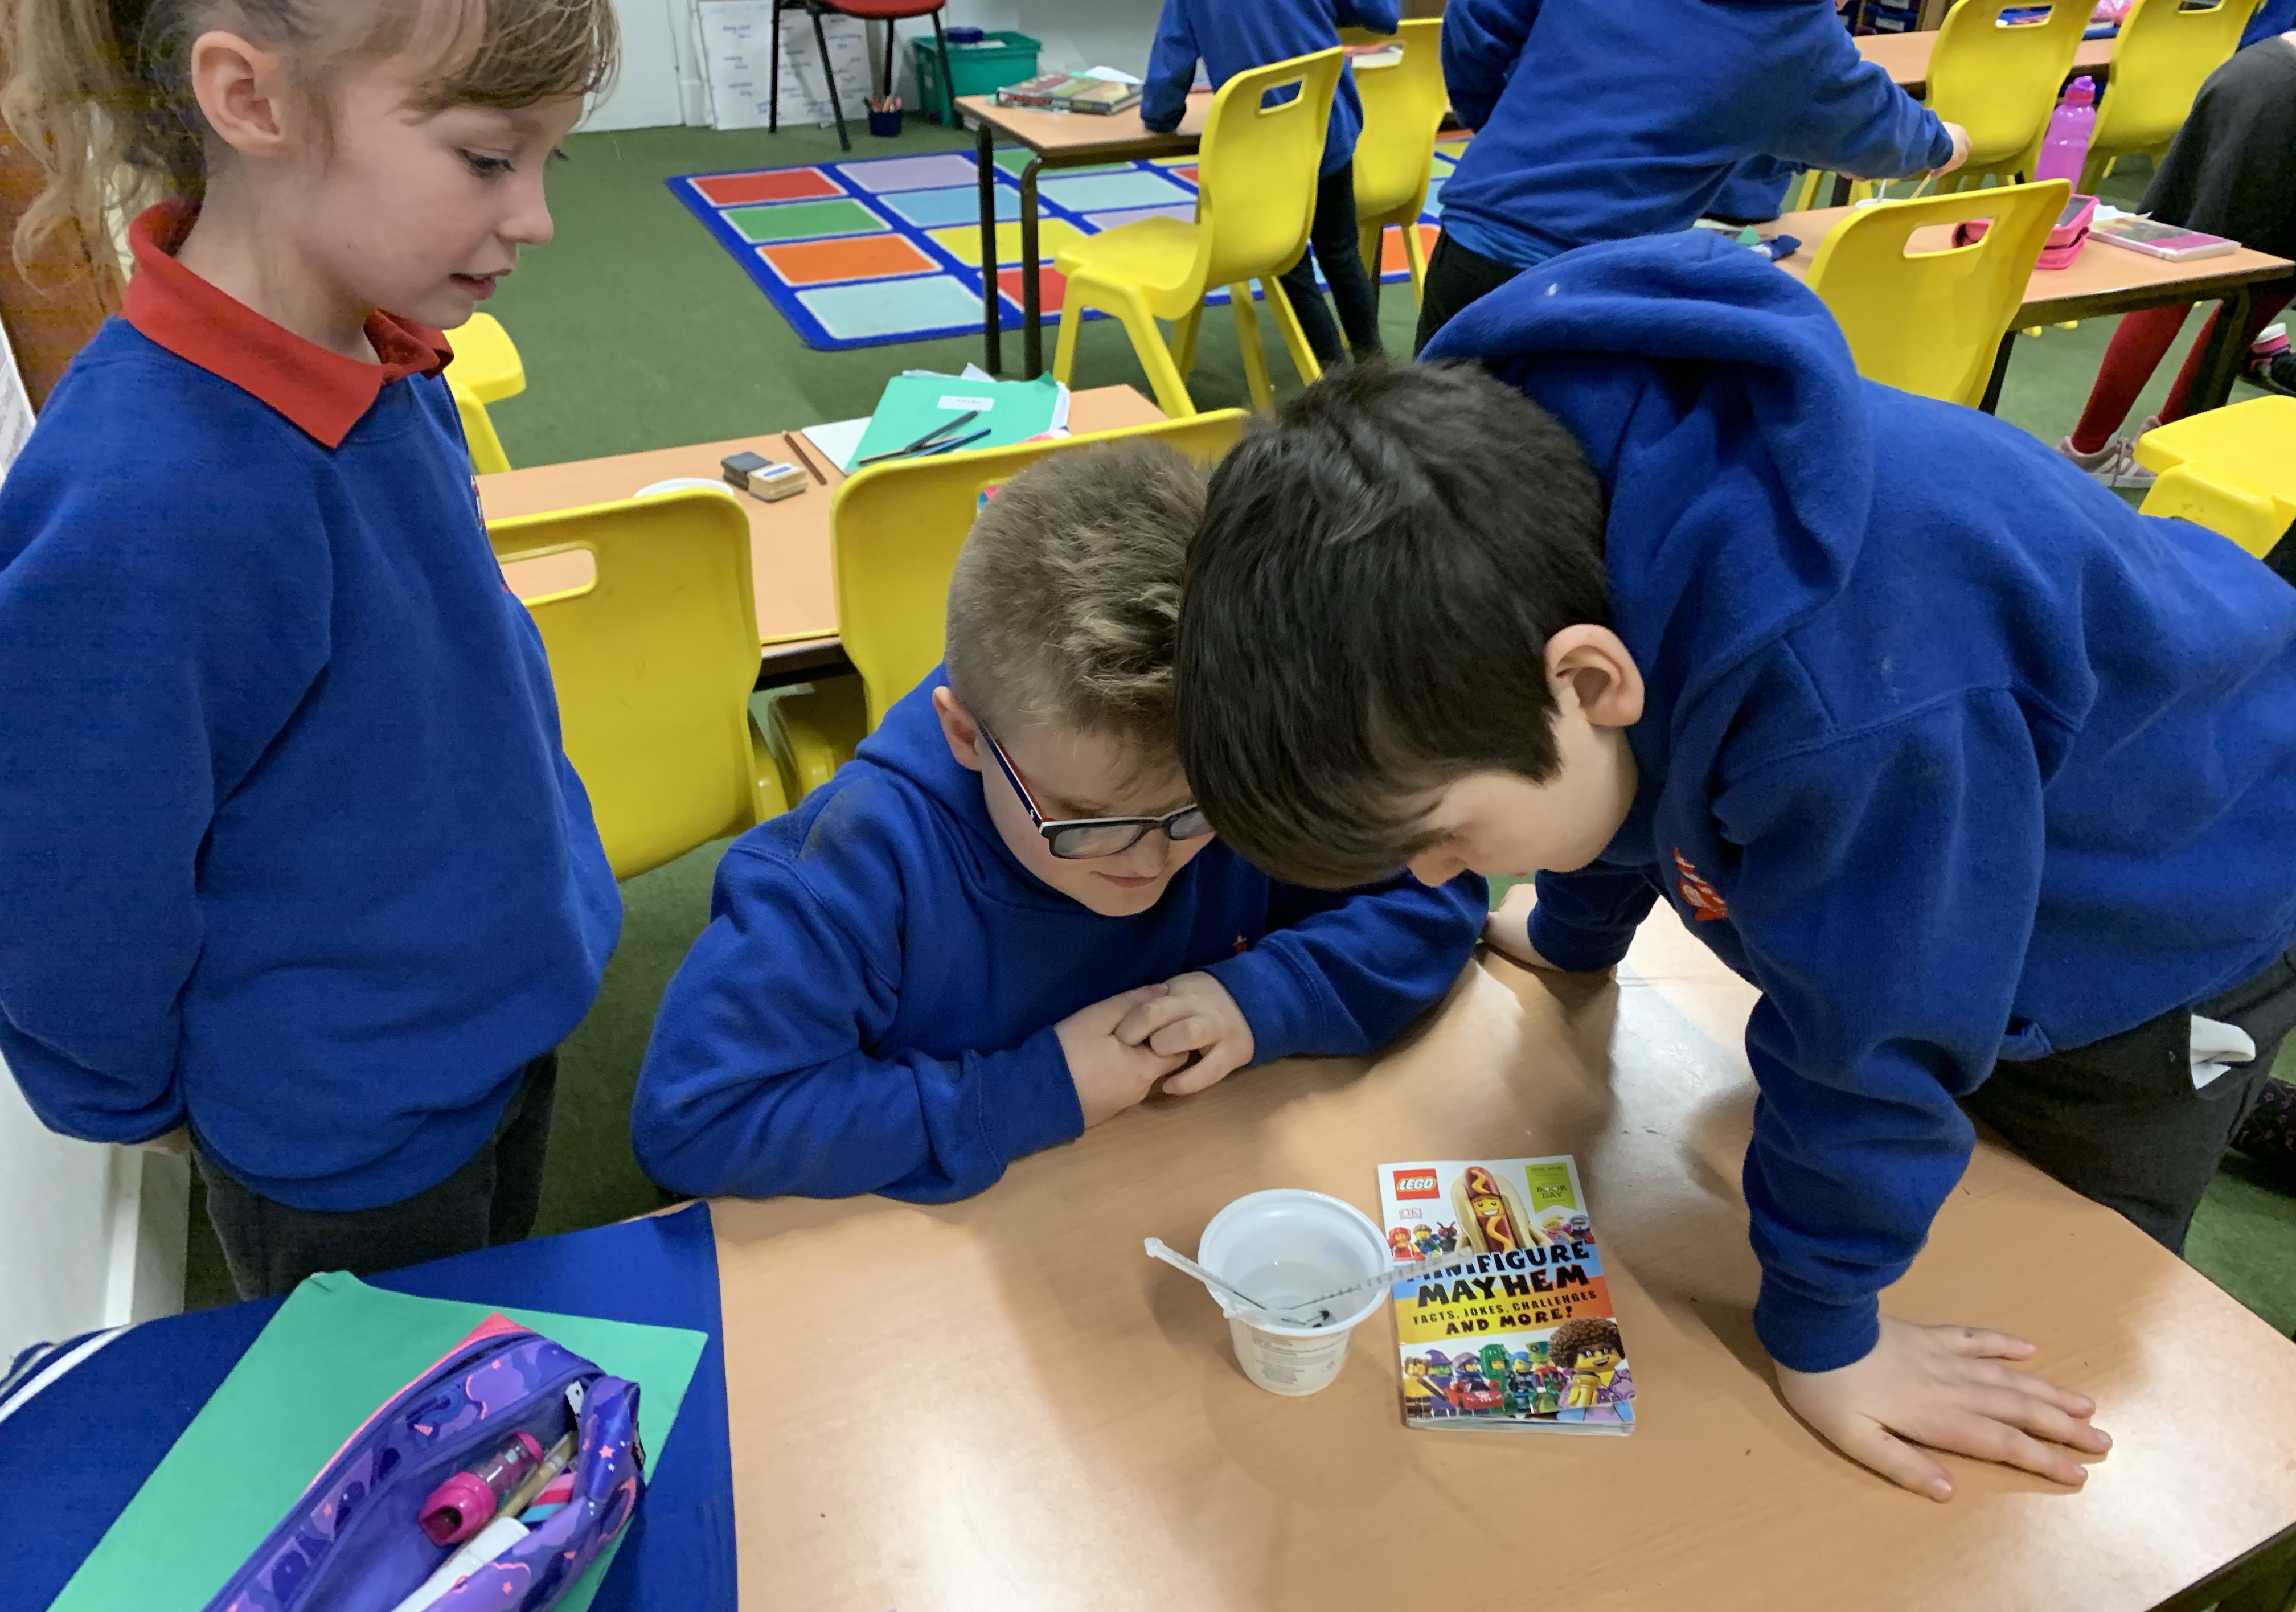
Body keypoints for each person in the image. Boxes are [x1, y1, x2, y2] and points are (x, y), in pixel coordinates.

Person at [1172, 244, 2296, 1499]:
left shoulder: (1844, 712)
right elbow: (1628, 763)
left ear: (1587, 678)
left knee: (2064, 1280)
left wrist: (1826, 1333)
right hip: (1949, 816)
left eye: (1440, 833)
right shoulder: (1528, 523)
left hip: (2179, 895)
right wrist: (1579, 928)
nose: (1440, 874)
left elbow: (1873, 1025)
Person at [0, 0, 623, 1297]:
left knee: (502, 1317)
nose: (537, 219)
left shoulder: (385, 352)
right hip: (348, 1133)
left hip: (491, 1013)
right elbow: (71, 878)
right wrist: (127, 1097)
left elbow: (447, 681)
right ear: (253, 101)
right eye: (486, 158)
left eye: (545, 160)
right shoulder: (144, 494)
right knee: (393, 1410)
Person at [630, 441, 1483, 1201]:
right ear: (967, 736)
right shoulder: (850, 870)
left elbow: (1435, 893)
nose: (1148, 862)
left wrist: (1260, 1000)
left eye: (1194, 813)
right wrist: (1038, 1090)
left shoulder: (1242, 753)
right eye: (1084, 820)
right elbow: (698, 1120)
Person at [1417, 0, 1970, 351]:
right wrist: (1945, 142)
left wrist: (1500, 125)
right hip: (1589, 291)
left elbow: (1478, 21)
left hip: (1474, 240)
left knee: (1422, 465)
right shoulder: (1794, 31)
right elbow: (1880, 129)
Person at [2057, 30, 2296, 487]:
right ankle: (2146, 446)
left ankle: (2105, 447)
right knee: (2257, 282)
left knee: (2181, 268)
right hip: (2283, 102)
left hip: (2254, 71)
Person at [1142, 0, 1399, 367]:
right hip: (1327, 130)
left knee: (1290, 266)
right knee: (1341, 253)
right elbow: (1383, 16)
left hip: (1264, 151)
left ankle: (1333, 377)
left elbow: (1169, 71)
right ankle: (1377, 366)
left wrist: (1160, 118)